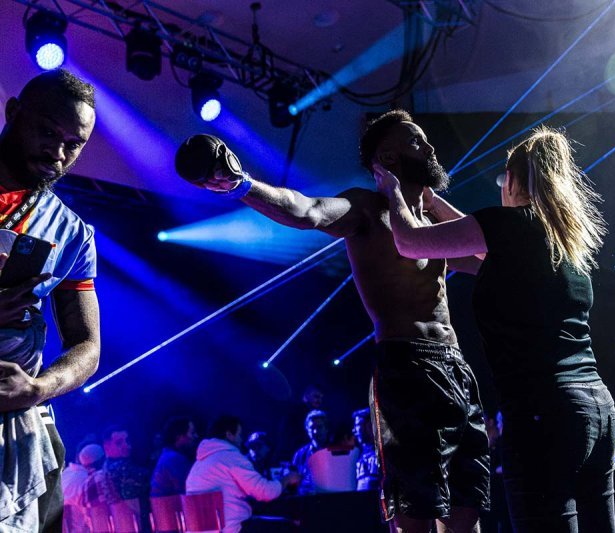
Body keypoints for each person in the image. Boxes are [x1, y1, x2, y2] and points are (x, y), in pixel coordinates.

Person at [178, 109, 490, 532]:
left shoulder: (429, 224)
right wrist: (243, 184)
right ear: (388, 158)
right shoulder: (367, 209)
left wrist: (432, 202)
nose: (430, 147)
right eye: (416, 141)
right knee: (417, 511)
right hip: (407, 366)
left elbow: (485, 260)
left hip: (455, 365)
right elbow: (307, 210)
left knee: (468, 506)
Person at [375, 125, 615, 532]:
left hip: (544, 410)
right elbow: (481, 249)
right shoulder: (563, 239)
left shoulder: (508, 224)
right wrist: (433, 203)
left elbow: (411, 243)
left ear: (515, 181)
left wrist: (393, 192)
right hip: (596, 407)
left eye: (504, 180)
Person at [0, 68, 101, 532]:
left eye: (73, 144)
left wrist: (38, 389)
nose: (58, 154)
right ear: (13, 112)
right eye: (47, 132)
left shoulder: (72, 233)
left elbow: (88, 346)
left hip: (15, 421)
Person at [186, 415, 299, 533]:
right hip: (231, 529)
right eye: (239, 435)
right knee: (290, 526)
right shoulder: (231, 456)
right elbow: (265, 492)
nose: (241, 441)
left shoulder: (197, 465)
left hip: (202, 531)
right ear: (229, 435)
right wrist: (287, 479)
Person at [151, 416, 199, 496]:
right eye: (192, 433)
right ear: (179, 436)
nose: (196, 436)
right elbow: (188, 491)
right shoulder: (174, 459)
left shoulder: (167, 456)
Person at [291, 410, 330, 495]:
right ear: (307, 430)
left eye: (319, 427)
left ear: (326, 429)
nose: (316, 431)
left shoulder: (337, 451)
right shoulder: (300, 455)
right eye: (312, 428)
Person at [352, 407, 380, 491]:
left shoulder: (382, 455)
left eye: (358, 425)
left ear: (370, 426)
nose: (354, 430)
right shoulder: (358, 456)